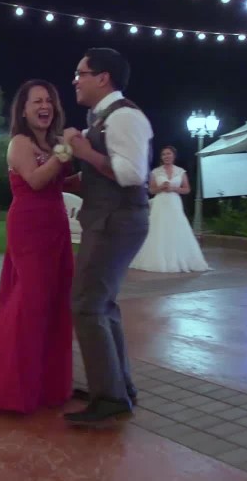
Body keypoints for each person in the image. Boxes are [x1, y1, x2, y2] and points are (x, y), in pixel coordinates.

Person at [62, 47, 153, 426]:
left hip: (116, 220)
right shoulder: (101, 118)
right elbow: (104, 174)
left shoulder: (125, 116)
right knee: (103, 304)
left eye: (81, 73)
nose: (75, 80)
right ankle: (117, 387)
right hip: (110, 218)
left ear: (103, 77)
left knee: (85, 304)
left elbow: (132, 174)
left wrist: (84, 150)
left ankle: (110, 397)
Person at [0, 80, 76, 414]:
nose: (44, 106)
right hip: (29, 229)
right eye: (36, 101)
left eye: (49, 100)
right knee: (29, 303)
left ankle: (46, 385)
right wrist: (65, 151)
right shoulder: (19, 142)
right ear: (23, 109)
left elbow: (63, 179)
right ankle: (11, 389)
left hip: (57, 226)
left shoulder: (55, 142)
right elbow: (35, 179)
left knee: (55, 303)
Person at [129, 146, 210, 273]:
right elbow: (151, 190)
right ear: (161, 157)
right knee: (159, 228)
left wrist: (174, 189)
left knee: (177, 228)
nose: (166, 156)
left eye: (169, 154)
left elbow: (187, 189)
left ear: (174, 155)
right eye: (164, 154)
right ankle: (156, 259)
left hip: (174, 202)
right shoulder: (155, 172)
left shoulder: (181, 172)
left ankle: (179, 258)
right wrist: (160, 187)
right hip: (160, 202)